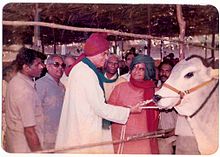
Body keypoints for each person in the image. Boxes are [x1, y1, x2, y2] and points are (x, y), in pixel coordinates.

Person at [55, 33, 143, 153]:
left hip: (81, 128)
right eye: (104, 54)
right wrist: (129, 111)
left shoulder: (81, 69)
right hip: (86, 132)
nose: (106, 58)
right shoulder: (87, 74)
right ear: (95, 53)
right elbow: (100, 108)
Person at [108, 54, 159, 154]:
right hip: (121, 140)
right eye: (135, 67)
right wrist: (127, 110)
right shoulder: (120, 87)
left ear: (148, 71)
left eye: (141, 69)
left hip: (144, 141)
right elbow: (109, 111)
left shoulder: (155, 92)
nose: (136, 71)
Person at [5, 48, 46, 152]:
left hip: (16, 145)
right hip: (26, 148)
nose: (42, 66)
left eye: (42, 63)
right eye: (37, 64)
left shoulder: (16, 81)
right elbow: (29, 131)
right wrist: (38, 153)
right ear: (26, 68)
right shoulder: (24, 91)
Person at [36, 54, 65, 149]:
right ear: (48, 67)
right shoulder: (40, 84)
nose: (60, 67)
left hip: (60, 137)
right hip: (45, 138)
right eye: (56, 64)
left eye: (62, 65)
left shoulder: (62, 86)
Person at [156, 60, 177, 154]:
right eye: (162, 70)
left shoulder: (178, 91)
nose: (163, 73)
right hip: (162, 136)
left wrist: (175, 131)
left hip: (176, 134)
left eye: (167, 71)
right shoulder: (155, 89)